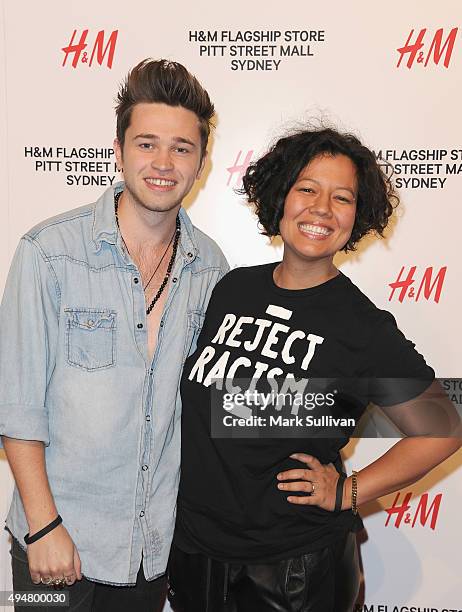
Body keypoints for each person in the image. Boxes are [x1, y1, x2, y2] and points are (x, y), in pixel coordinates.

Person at [168, 127, 461, 611]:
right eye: (307, 188)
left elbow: (444, 430)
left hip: (293, 571)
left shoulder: (361, 326)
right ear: (281, 196)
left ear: (356, 215)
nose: (321, 208)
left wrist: (348, 491)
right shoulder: (232, 290)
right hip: (195, 554)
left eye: (341, 197)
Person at [0, 58, 228, 611]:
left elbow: (205, 411)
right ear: (119, 148)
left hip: (153, 552)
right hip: (55, 545)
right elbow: (19, 407)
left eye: (182, 148)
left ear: (200, 162)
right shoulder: (49, 253)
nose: (163, 163)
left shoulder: (211, 269)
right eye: (147, 143)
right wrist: (43, 526)